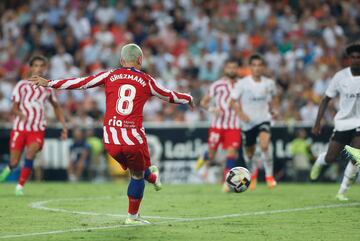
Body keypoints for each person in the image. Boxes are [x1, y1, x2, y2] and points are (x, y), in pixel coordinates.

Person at [31, 43, 194, 225]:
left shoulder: (110, 75)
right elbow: (169, 96)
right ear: (140, 60)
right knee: (137, 174)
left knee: (137, 169)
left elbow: (81, 83)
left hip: (110, 140)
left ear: (121, 60)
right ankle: (133, 217)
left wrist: (50, 83)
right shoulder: (147, 80)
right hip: (133, 137)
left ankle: (153, 177)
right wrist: (189, 98)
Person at [0, 55, 68, 195]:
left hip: (37, 129)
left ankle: (20, 186)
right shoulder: (21, 85)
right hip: (20, 128)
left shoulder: (48, 87)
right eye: (36, 65)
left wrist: (64, 126)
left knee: (31, 153)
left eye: (41, 66)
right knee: (14, 162)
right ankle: (8, 170)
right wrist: (20, 115)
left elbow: (56, 106)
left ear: (45, 68)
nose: (39, 68)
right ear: (31, 68)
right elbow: (14, 107)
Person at [310, 41, 360, 195]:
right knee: (331, 157)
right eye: (353, 57)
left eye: (359, 57)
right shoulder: (340, 77)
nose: (356, 60)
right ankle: (321, 160)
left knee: (357, 155)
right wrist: (317, 122)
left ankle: (342, 191)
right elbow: (325, 99)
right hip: (343, 122)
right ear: (348, 59)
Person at [230, 54, 279, 190]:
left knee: (264, 145)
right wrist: (240, 113)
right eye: (254, 65)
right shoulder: (242, 83)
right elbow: (232, 101)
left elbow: (275, 97)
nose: (257, 68)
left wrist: (274, 109)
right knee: (250, 153)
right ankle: (252, 174)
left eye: (259, 65)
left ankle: (269, 177)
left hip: (263, 119)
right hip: (248, 122)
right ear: (250, 67)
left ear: (263, 67)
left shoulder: (269, 83)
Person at [196, 59, 244, 191]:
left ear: (237, 69)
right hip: (218, 125)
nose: (232, 70)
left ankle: (227, 181)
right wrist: (212, 109)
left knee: (231, 152)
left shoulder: (242, 85)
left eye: (234, 68)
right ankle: (204, 157)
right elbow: (203, 102)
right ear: (225, 69)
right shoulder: (217, 85)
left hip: (234, 125)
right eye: (230, 68)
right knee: (212, 155)